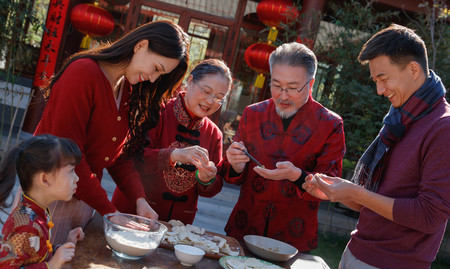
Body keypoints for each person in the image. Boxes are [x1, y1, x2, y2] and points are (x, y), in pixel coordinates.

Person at [303, 24, 450, 269]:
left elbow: (430, 216)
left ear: (414, 70)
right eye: (375, 81)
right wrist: (338, 193)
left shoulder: (443, 128)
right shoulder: (400, 119)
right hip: (356, 255)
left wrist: (356, 192)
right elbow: (375, 199)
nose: (380, 90)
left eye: (384, 78)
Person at [30, 20, 190, 245]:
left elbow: (118, 156)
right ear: (141, 45)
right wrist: (111, 212)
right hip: (47, 198)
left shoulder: (126, 88)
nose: (154, 79)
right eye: (156, 68)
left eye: (160, 75)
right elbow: (67, 156)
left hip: (82, 200)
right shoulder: (83, 73)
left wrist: (139, 199)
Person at [222, 42, 345, 252]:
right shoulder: (253, 114)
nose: (283, 95)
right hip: (244, 228)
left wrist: (297, 176)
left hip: (293, 237)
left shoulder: (330, 124)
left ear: (311, 83)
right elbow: (231, 173)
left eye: (292, 87)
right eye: (277, 85)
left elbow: (332, 188)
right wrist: (236, 165)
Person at [111, 59, 232, 224]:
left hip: (177, 226)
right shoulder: (157, 111)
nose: (210, 101)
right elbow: (129, 157)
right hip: (133, 214)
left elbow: (213, 187)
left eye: (219, 97)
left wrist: (206, 179)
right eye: (206, 91)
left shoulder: (214, 134)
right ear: (190, 81)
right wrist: (173, 155)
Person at [0, 134, 84, 269]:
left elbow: (32, 258)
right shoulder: (26, 227)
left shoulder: (38, 212)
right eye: (71, 171)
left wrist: (63, 247)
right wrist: (51, 267)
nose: (77, 178)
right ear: (45, 179)